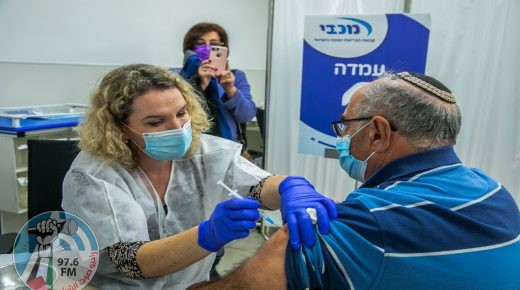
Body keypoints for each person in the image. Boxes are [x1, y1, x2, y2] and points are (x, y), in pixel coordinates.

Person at [188, 72, 520, 289]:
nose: (343, 137)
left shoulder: (365, 222)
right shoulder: (494, 191)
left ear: (378, 132)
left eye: (347, 126)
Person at [61, 64, 337, 290]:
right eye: (156, 122)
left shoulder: (204, 151)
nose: (178, 128)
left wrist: (290, 187)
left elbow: (258, 186)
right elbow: (132, 262)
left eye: (182, 113)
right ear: (120, 128)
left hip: (193, 284)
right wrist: (208, 235)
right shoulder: (94, 176)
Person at [176, 22, 256, 146]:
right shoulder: (177, 75)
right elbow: (175, 111)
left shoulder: (236, 76)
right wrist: (200, 84)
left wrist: (230, 89)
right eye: (201, 43)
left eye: (214, 44)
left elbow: (247, 115)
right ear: (191, 48)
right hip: (190, 147)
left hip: (227, 147)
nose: (207, 48)